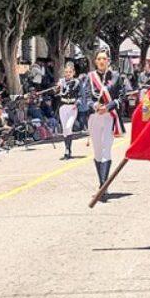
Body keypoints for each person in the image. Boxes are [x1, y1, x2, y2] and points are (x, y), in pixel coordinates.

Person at [80, 49, 125, 201]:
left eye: (104, 59)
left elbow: (121, 97)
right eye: (99, 59)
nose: (101, 61)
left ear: (108, 61)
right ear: (95, 61)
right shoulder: (89, 77)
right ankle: (102, 183)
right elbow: (86, 97)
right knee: (98, 151)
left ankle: (103, 186)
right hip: (94, 117)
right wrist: (94, 106)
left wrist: (109, 107)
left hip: (109, 117)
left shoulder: (116, 77)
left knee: (106, 149)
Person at [56, 61, 81, 159]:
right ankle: (67, 149)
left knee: (68, 126)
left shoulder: (77, 82)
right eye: (66, 72)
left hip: (72, 107)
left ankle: (68, 149)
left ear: (73, 72)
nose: (67, 74)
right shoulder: (61, 82)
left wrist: (77, 103)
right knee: (65, 129)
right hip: (63, 107)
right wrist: (58, 87)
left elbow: (80, 96)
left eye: (70, 72)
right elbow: (56, 93)